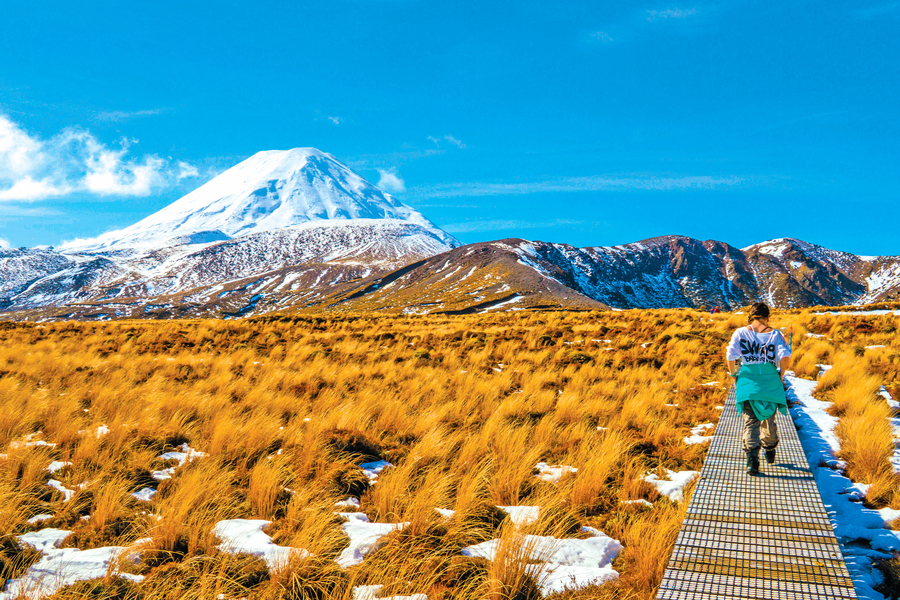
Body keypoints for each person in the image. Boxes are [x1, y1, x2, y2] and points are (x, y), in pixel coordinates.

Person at [724, 302, 792, 475]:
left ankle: (752, 461)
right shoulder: (775, 334)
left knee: (750, 422)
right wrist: (781, 375)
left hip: (748, 381)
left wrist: (733, 376)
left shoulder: (740, 333)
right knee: (768, 419)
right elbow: (785, 356)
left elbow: (731, 354)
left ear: (751, 316)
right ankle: (770, 449)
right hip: (770, 382)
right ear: (767, 316)